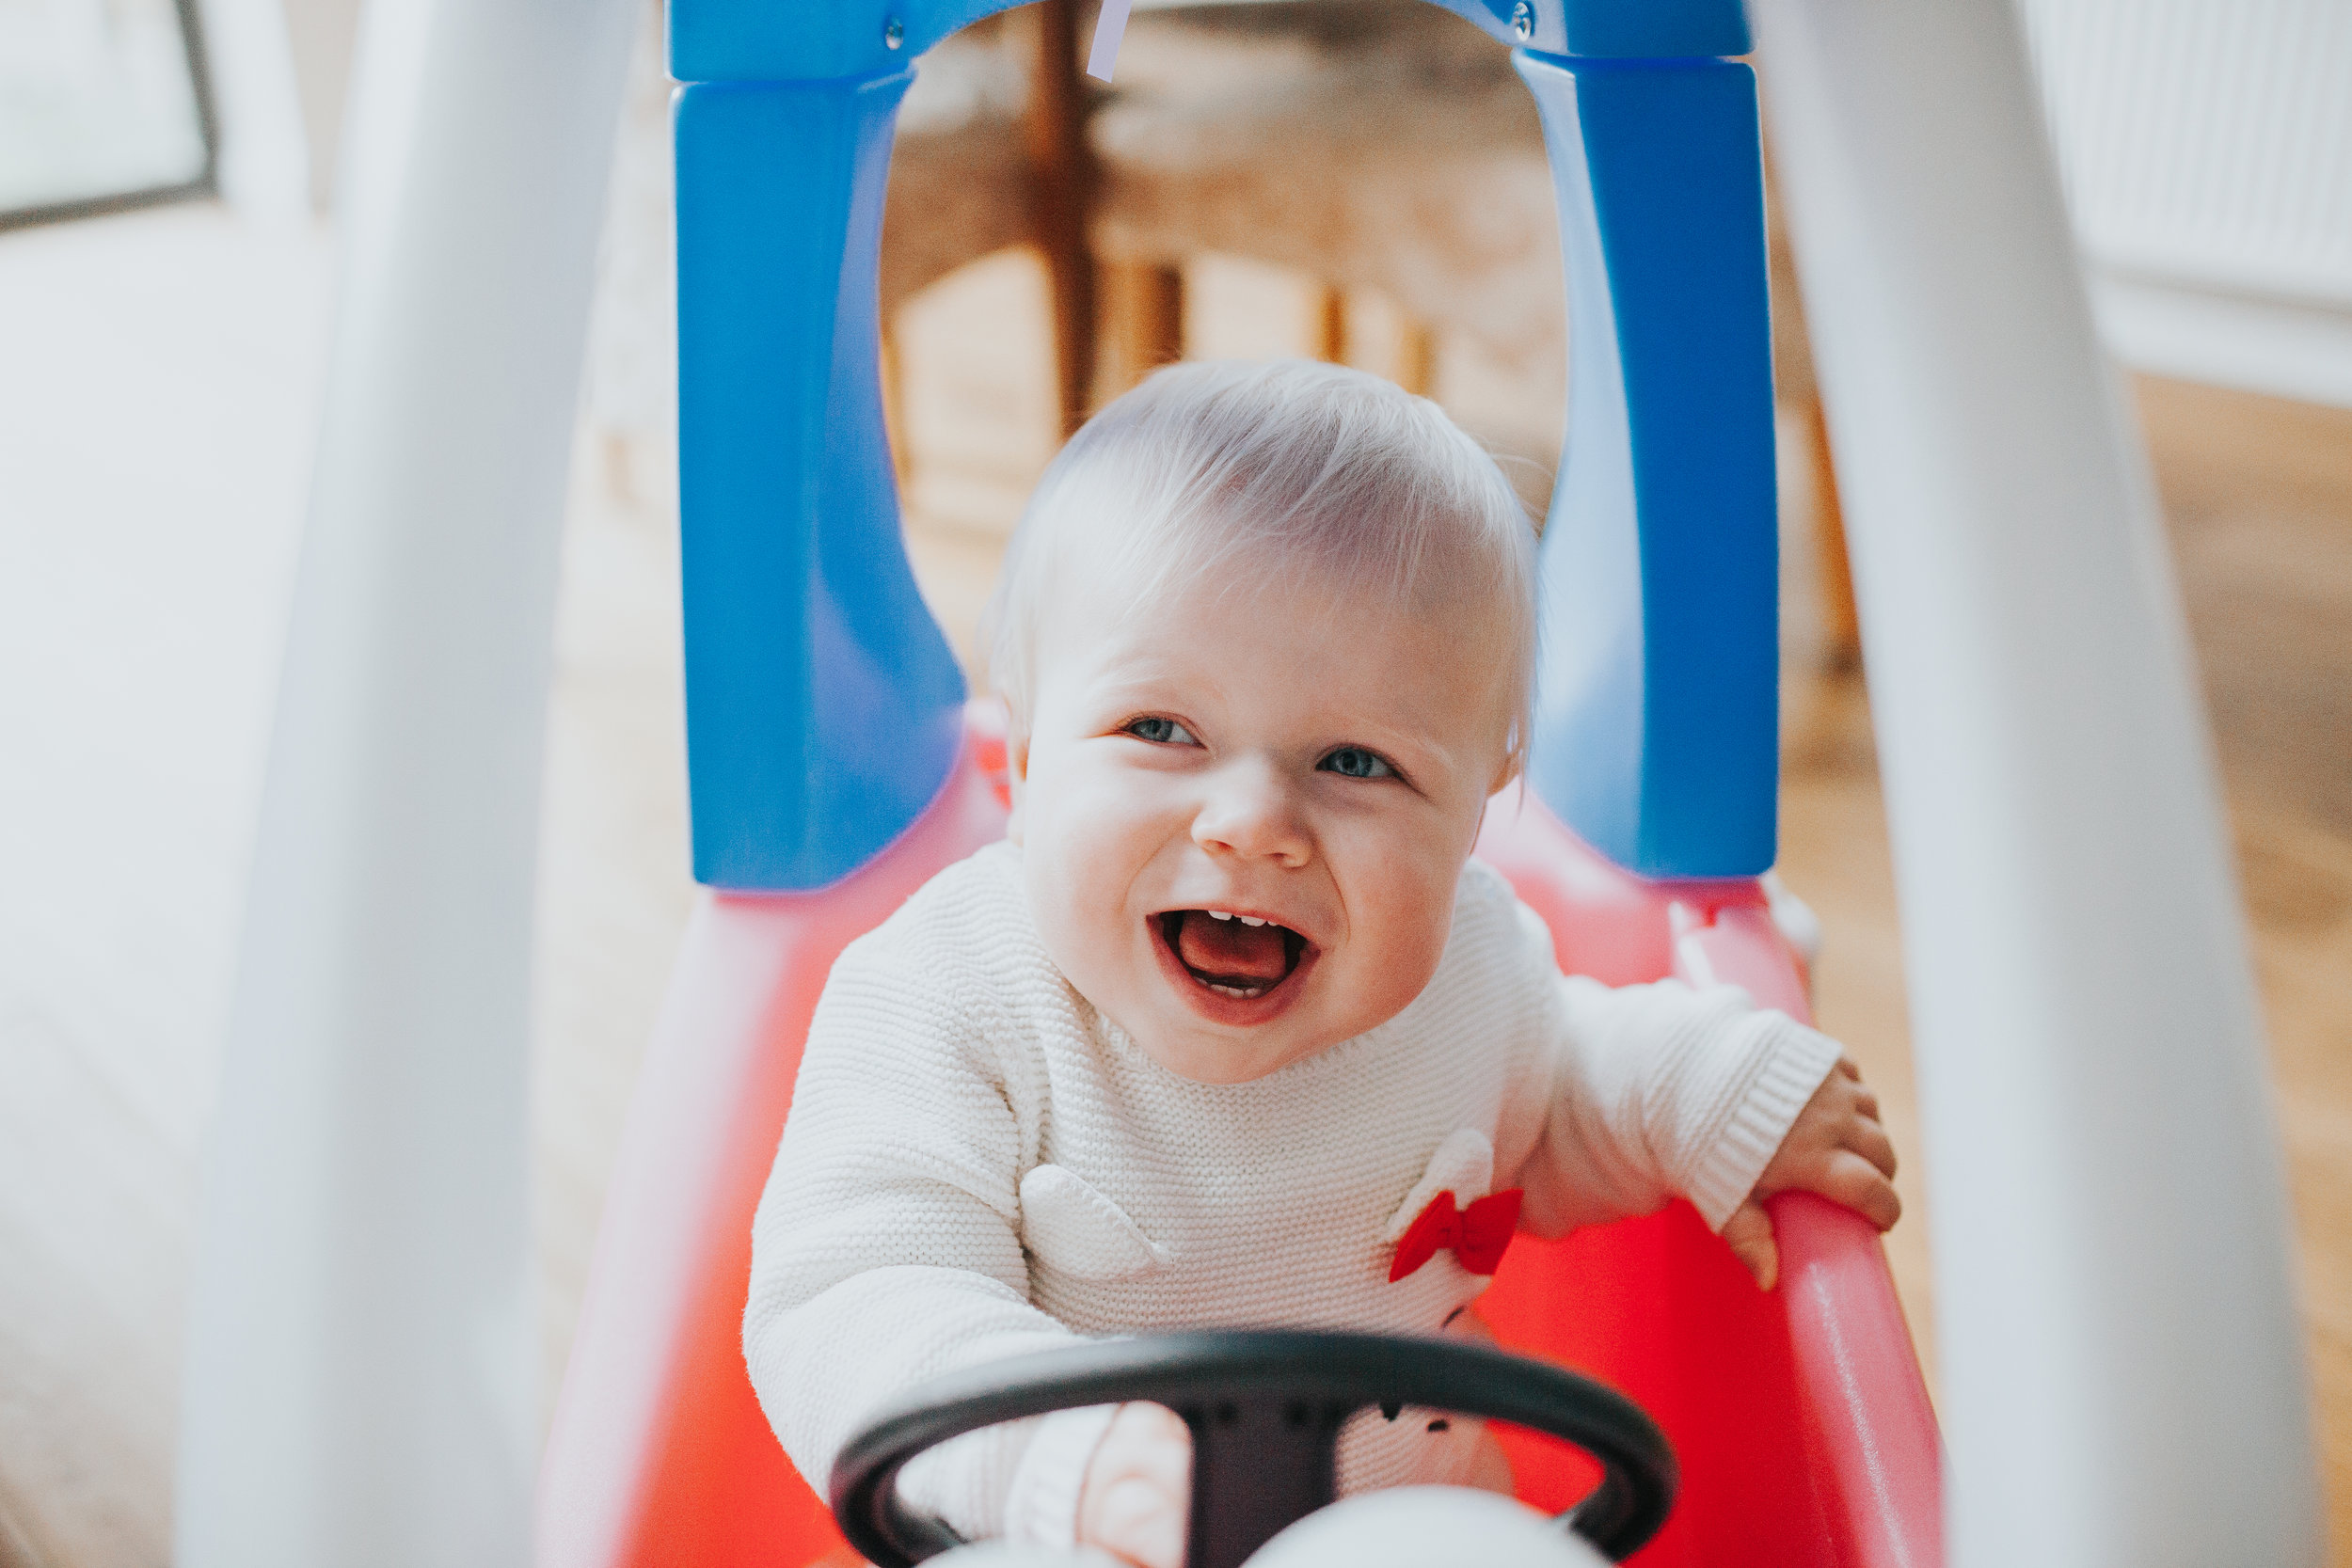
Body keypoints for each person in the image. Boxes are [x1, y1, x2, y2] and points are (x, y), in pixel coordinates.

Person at [743, 360, 1900, 1568]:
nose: (1252, 820)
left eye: (1355, 762)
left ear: (1473, 814)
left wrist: (1725, 1093)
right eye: (1160, 730)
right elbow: (854, 1295)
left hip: (1400, 1536)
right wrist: (1064, 1458)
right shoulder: (952, 993)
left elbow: (1570, 1081)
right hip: (1057, 1529)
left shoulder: (1467, 972)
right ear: (1024, 761)